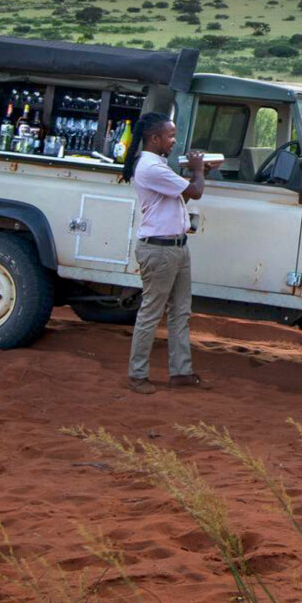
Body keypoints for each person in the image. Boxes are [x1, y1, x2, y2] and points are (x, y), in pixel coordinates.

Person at [122, 112, 213, 394]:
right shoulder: (152, 168)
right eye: (170, 136)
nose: (174, 141)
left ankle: (181, 371)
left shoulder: (156, 165)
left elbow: (182, 194)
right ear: (154, 138)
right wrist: (198, 170)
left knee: (180, 312)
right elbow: (195, 192)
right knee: (152, 312)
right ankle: (137, 375)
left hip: (173, 246)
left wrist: (199, 175)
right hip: (160, 249)